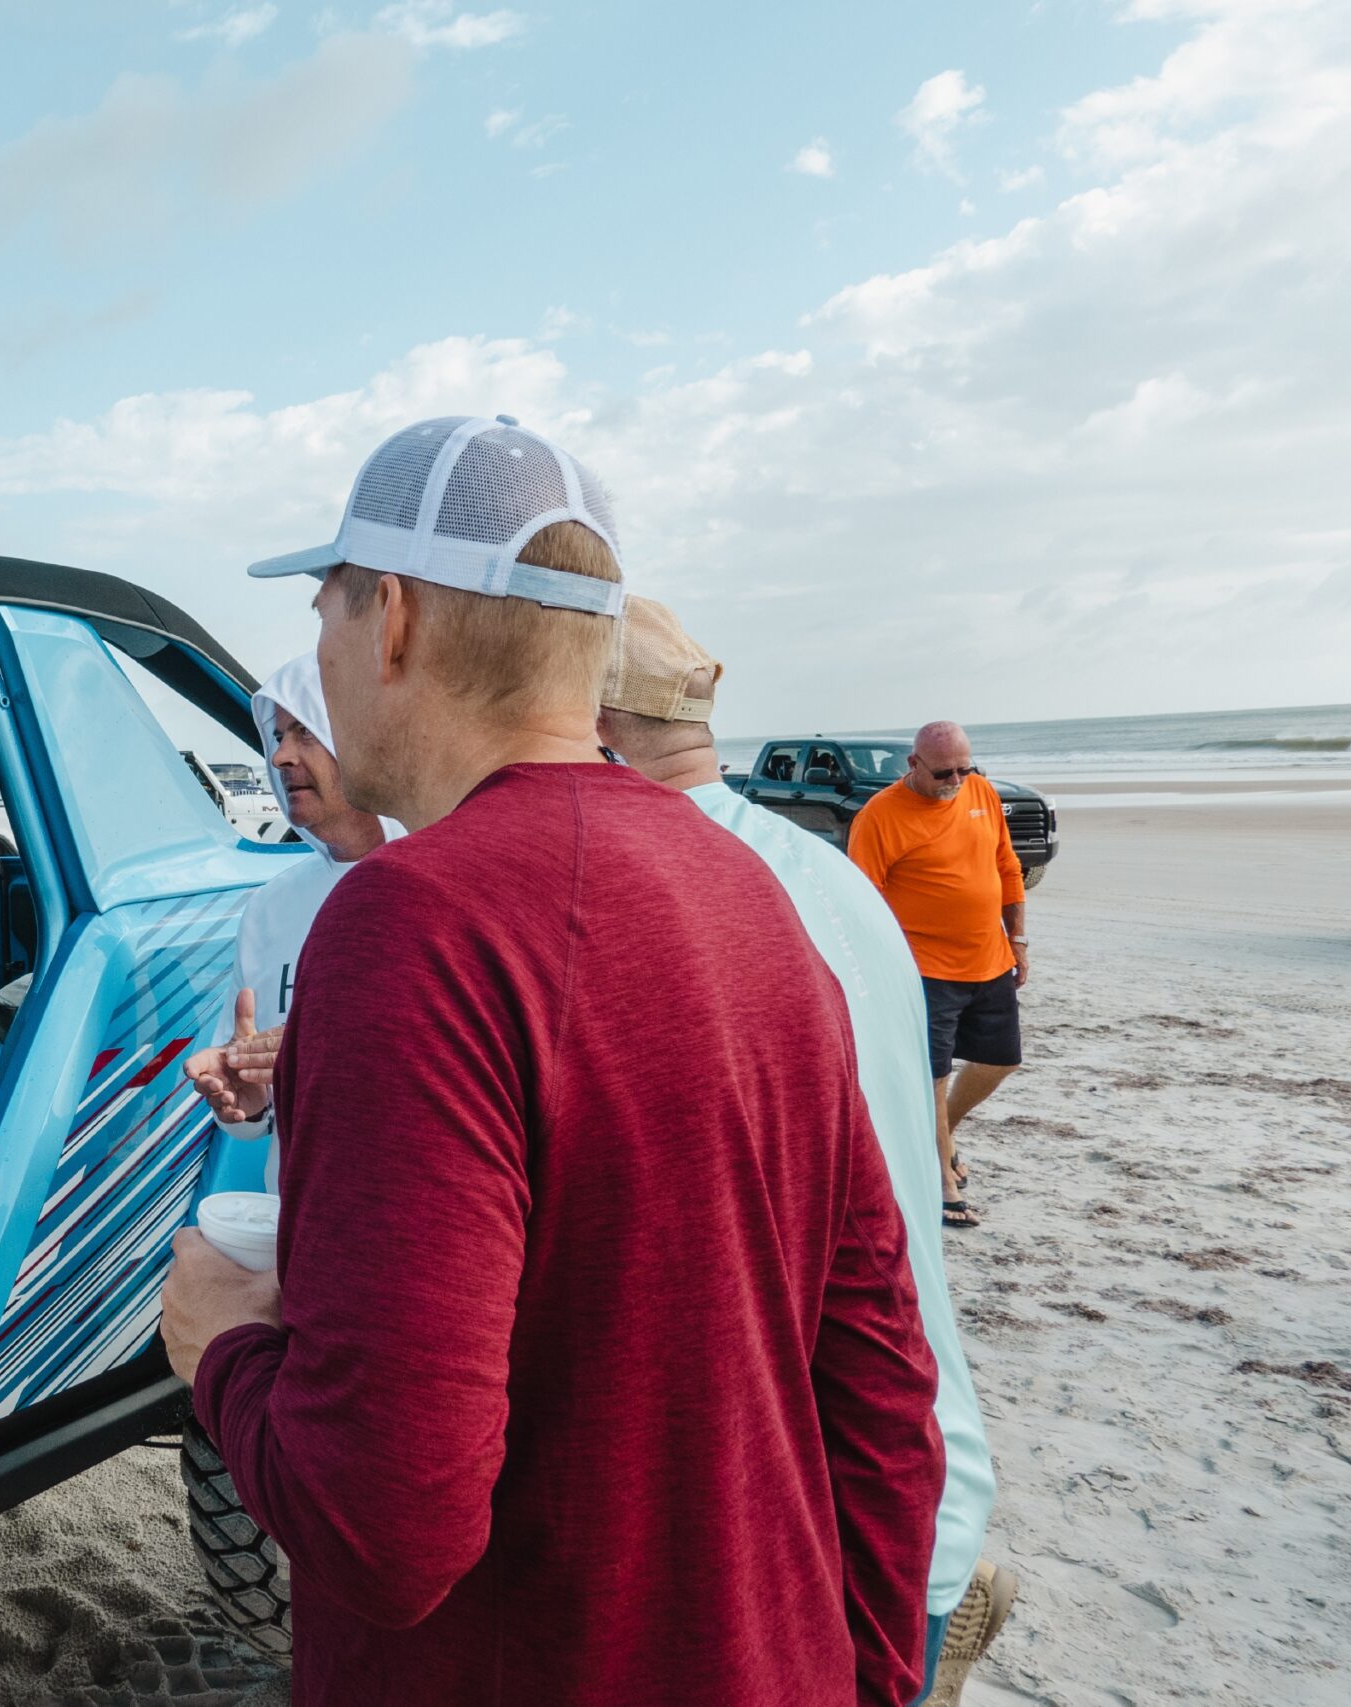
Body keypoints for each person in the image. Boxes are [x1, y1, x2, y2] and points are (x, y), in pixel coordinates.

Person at [159, 414, 941, 1707]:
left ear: (394, 617)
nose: (324, 660)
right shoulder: (751, 892)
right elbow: (876, 1368)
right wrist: (867, 1671)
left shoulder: (415, 921)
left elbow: (386, 1524)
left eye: (327, 612)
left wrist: (225, 1350)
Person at [598, 596, 1015, 1705]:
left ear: (584, 729)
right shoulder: (822, 872)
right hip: (922, 1441)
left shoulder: (682, 897)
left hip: (841, 1485)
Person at [181, 652, 392, 1178]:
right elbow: (255, 1110)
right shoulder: (271, 906)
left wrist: (309, 1058)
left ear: (365, 736)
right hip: (294, 1226)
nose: (279, 758)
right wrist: (247, 1098)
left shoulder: (442, 888)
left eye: (304, 733)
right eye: (277, 738)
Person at [846, 721, 1028, 1230]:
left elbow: (1006, 866)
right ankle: (942, 1180)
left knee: (1001, 1062)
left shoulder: (980, 792)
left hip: (989, 958)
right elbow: (863, 901)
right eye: (945, 771)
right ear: (913, 765)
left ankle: (941, 1134)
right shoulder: (879, 817)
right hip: (924, 971)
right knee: (932, 1075)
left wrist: (1018, 939)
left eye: (965, 769)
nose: (956, 780)